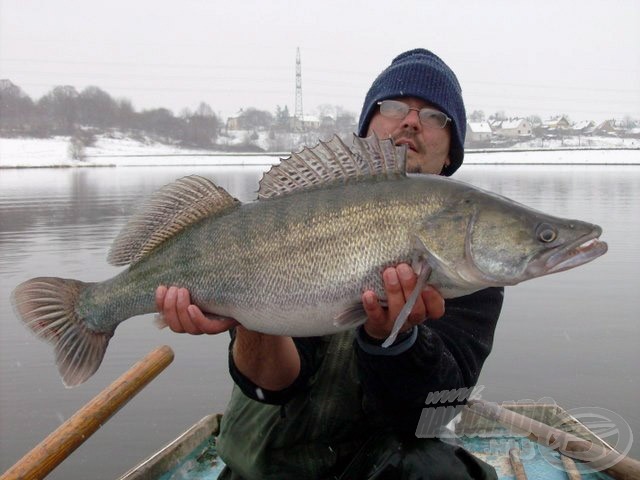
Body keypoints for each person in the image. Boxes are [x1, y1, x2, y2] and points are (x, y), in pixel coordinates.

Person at [155, 49, 504, 479]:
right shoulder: (304, 214)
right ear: (365, 128)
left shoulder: (472, 267)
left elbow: (436, 411)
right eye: (393, 106)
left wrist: (394, 340)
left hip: (384, 462)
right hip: (270, 461)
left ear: (452, 153)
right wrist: (248, 317)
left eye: (436, 116)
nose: (411, 121)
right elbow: (275, 385)